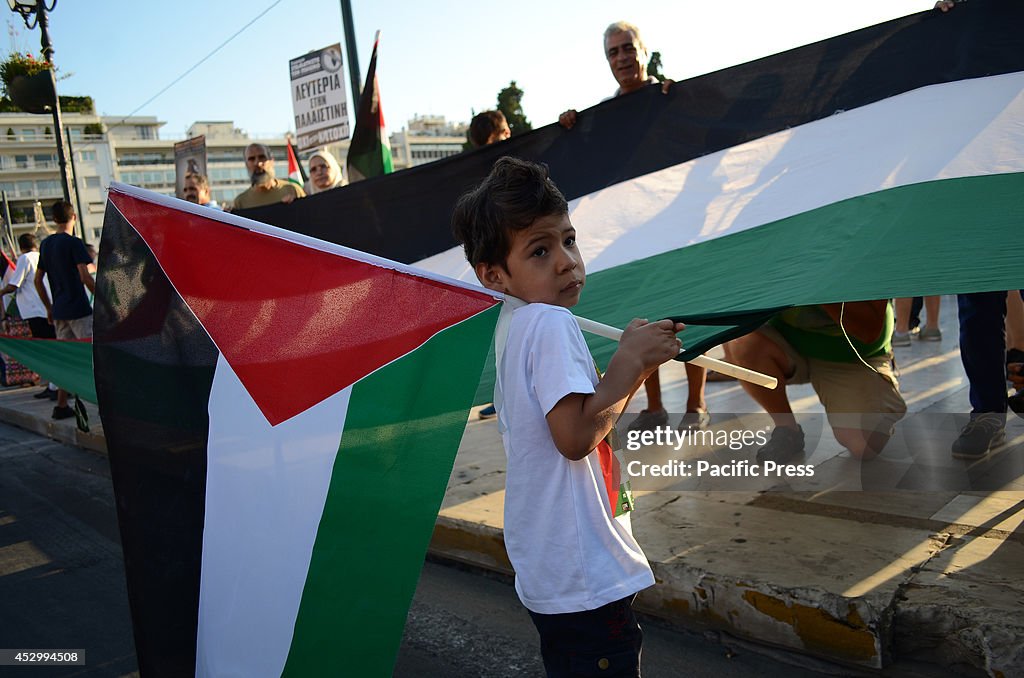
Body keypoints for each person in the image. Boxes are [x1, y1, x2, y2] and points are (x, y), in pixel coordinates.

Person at [452, 157, 683, 676]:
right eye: (539, 250)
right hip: (583, 574)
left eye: (569, 240)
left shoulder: (517, 326)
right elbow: (576, 435)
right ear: (494, 275)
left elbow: (581, 416)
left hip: (556, 567)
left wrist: (632, 367)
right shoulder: (550, 324)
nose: (565, 261)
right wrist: (633, 363)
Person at [560, 21, 707, 434]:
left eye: (628, 48)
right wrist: (572, 126)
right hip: (634, 234)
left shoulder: (669, 97)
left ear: (643, 52)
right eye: (614, 53)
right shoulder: (604, 120)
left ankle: (696, 404)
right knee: (645, 318)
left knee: (683, 316)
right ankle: (656, 407)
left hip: (678, 228)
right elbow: (587, 163)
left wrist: (681, 98)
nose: (622, 58)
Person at [723, 301, 907, 461]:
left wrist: (817, 289)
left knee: (864, 446)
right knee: (741, 341)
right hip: (789, 340)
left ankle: (882, 390)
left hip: (853, 354)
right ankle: (787, 429)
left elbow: (869, 331)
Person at [34, 201, 95, 420]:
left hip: (59, 310)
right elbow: (84, 276)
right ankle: (107, 404)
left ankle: (61, 405)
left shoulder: (46, 244)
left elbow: (38, 280)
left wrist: (49, 307)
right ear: (74, 218)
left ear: (54, 220)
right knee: (93, 357)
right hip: (78, 309)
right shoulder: (74, 243)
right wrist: (104, 299)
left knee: (65, 360)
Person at [0, 232, 56, 400]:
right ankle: (53, 386)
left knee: (45, 350)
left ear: (21, 246)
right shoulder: (41, 256)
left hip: (34, 311)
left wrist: (1, 292)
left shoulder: (25, 259)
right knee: (51, 348)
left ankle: (53, 386)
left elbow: (13, 285)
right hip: (45, 308)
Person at [231, 143, 305, 210]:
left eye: (262, 157)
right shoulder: (240, 203)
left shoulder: (293, 190)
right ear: (246, 165)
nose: (258, 163)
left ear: (272, 161)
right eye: (251, 159)